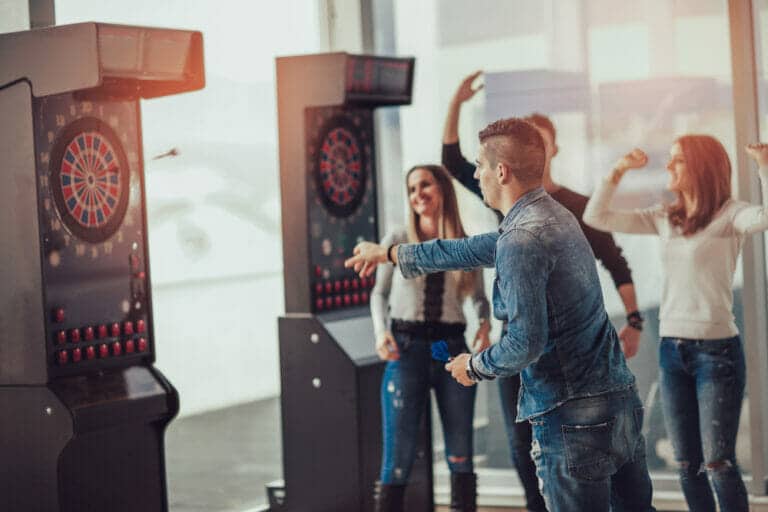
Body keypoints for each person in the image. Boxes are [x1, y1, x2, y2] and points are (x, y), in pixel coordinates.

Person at [347, 118, 656, 512]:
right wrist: (390, 253)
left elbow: (524, 343)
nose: (475, 174)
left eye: (478, 166)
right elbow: (468, 249)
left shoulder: (523, 239)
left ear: (501, 171)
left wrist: (472, 366)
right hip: (617, 401)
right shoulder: (555, 216)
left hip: (573, 416)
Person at [442, 71, 643, 512]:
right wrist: (455, 102)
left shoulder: (566, 211)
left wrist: (635, 319)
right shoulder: (512, 209)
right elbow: (453, 163)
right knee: (529, 453)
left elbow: (615, 261)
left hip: (567, 367)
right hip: (531, 360)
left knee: (572, 470)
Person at [583, 138, 768, 512]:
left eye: (677, 161)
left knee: (718, 463)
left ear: (700, 168)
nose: (668, 168)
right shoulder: (666, 216)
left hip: (717, 354)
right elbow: (596, 217)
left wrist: (764, 165)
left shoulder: (731, 215)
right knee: (687, 465)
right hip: (672, 352)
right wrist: (618, 170)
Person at [370, 164, 491, 512]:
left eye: (425, 185)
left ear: (442, 191)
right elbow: (379, 294)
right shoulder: (396, 240)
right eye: (411, 189)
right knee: (398, 456)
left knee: (460, 451)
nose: (418, 194)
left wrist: (484, 323)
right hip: (405, 348)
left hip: (449, 348)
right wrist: (380, 333)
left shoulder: (466, 244)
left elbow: (480, 298)